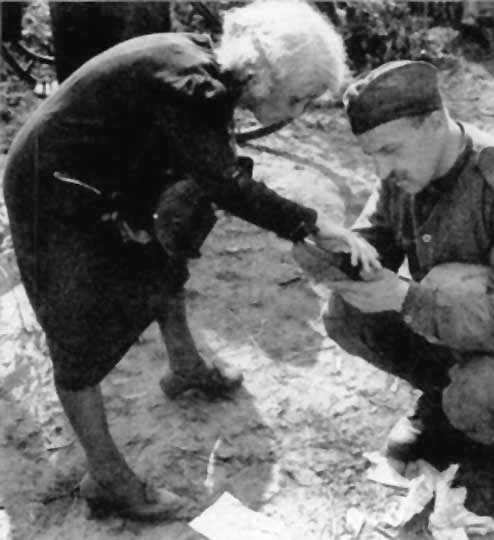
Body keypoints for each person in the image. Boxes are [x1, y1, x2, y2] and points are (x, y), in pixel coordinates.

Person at [3, 0, 380, 521]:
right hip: (52, 186)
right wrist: (312, 224)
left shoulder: (206, 75)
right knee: (76, 337)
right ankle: (107, 477)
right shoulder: (193, 89)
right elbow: (228, 185)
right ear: (265, 77)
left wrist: (144, 210)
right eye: (298, 98)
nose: (297, 113)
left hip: (104, 168)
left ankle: (185, 366)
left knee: (164, 247)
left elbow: (201, 172)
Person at [296, 60, 494, 523]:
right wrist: (325, 249)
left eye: (390, 150)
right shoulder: (409, 172)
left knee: (483, 395)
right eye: (372, 155)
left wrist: (404, 298)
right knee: (348, 313)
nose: (382, 169)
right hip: (461, 325)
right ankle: (444, 406)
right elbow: (373, 246)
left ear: (432, 122)